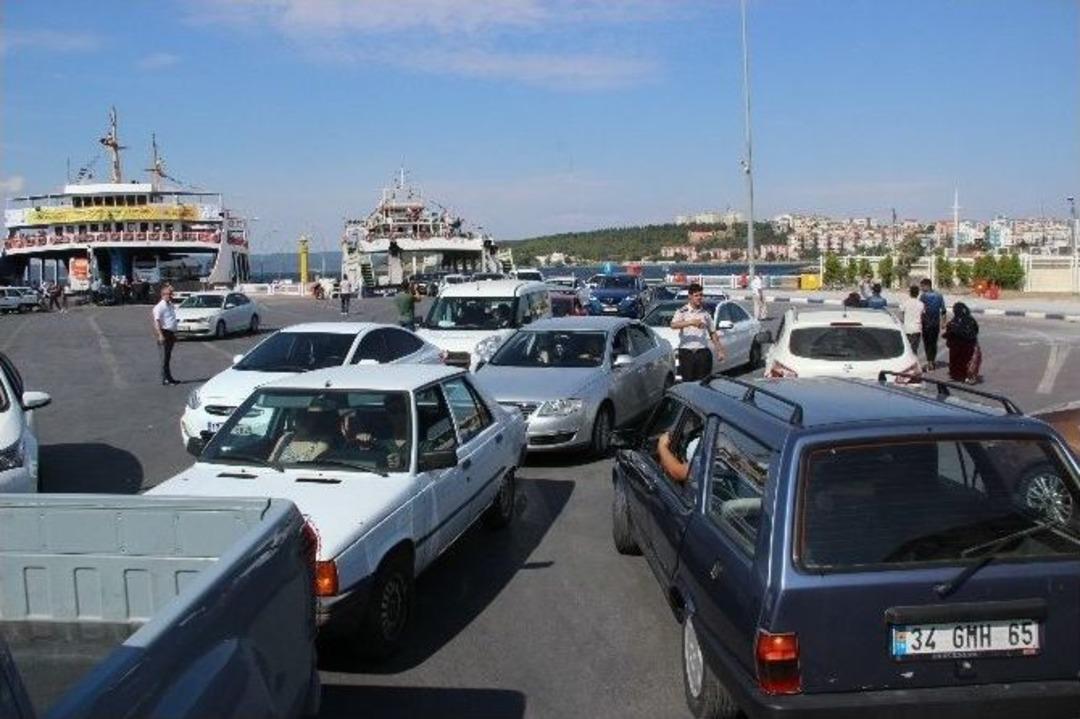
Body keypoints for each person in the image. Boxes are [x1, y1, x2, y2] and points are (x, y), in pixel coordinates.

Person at [670, 283, 724, 381]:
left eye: (700, 295)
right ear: (690, 296)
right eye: (696, 296)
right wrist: (690, 322)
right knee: (688, 382)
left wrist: (719, 350)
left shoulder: (705, 314)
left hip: (702, 352)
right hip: (687, 352)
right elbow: (673, 325)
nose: (699, 298)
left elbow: (712, 332)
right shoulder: (682, 311)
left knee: (703, 382)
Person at [943, 302, 981, 384]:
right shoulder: (970, 319)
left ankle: (958, 375)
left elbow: (950, 333)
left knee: (956, 360)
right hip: (969, 345)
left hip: (957, 346)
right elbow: (976, 330)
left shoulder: (953, 322)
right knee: (967, 360)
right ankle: (967, 375)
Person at [152, 284, 180, 385]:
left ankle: (168, 378)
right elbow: (157, 322)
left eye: (171, 294)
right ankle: (166, 379)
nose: (170, 296)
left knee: (168, 357)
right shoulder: (159, 307)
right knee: (164, 358)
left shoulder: (170, 305)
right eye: (168, 294)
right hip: (164, 332)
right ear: (162, 295)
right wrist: (160, 335)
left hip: (171, 333)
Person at [919, 278, 946, 371]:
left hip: (926, 323)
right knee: (933, 343)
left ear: (927, 286)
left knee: (927, 343)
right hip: (935, 323)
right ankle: (932, 361)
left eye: (922, 286)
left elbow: (920, 310)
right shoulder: (939, 296)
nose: (921, 288)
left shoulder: (923, 297)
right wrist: (943, 322)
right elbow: (943, 310)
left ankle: (929, 362)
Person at [899, 285, 925, 353]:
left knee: (906, 350)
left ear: (909, 293)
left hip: (907, 328)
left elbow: (901, 317)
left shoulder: (905, 303)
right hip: (916, 329)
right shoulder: (921, 304)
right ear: (918, 293)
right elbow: (922, 317)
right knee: (914, 350)